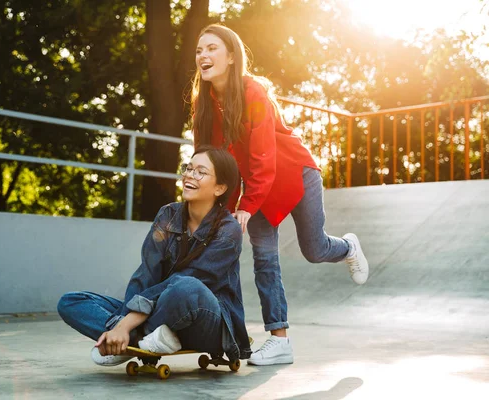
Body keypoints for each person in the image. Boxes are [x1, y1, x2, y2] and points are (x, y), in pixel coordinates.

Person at [191, 24, 369, 366]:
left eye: (212, 48)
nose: (203, 56)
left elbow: (262, 154)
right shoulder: (205, 104)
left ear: (230, 57)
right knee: (264, 260)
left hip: (294, 174)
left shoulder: (253, 93)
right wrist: (218, 207)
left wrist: (246, 205)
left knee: (314, 250)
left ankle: (347, 247)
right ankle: (280, 340)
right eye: (199, 50)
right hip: (258, 186)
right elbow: (214, 161)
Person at [57, 146, 252, 366]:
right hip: (157, 309)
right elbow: (146, 273)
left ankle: (129, 339)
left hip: (206, 323)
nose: (189, 174)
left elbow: (184, 282)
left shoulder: (229, 231)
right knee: (71, 301)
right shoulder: (167, 215)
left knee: (186, 287)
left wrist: (125, 325)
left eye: (200, 171)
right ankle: (144, 339)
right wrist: (123, 321)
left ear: (220, 187)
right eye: (188, 168)